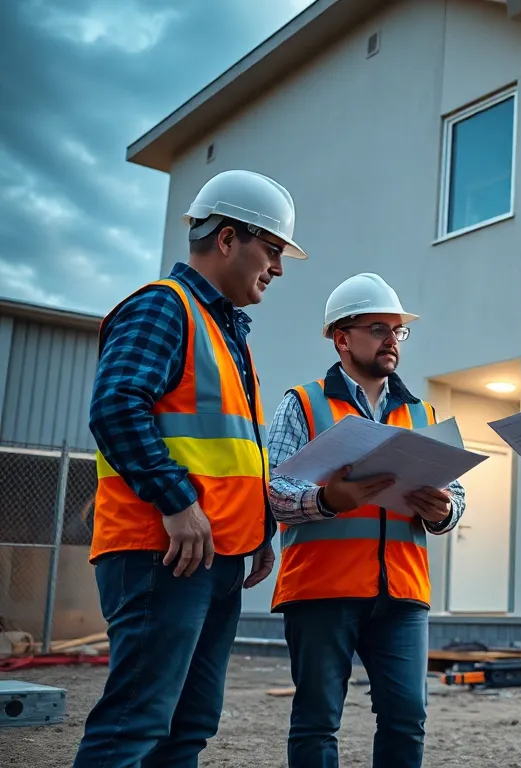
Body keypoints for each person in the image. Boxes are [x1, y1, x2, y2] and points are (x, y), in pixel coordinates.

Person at [76, 169, 307, 766]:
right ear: (228, 239)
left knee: (188, 726)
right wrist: (177, 503)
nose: (278, 268)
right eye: (273, 249)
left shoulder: (229, 333)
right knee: (136, 723)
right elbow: (117, 408)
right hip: (162, 551)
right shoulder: (165, 307)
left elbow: (232, 452)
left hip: (214, 556)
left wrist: (258, 533)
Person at [265, 272, 467, 768]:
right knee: (316, 720)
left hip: (401, 594)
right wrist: (329, 499)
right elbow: (271, 492)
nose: (391, 340)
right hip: (321, 590)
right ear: (341, 338)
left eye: (397, 331)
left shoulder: (422, 413)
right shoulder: (303, 403)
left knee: (406, 719)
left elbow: (455, 493)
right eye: (378, 328)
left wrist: (445, 510)